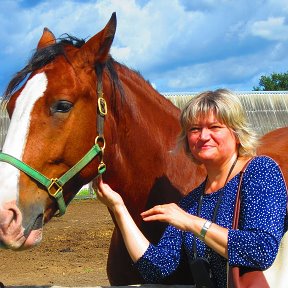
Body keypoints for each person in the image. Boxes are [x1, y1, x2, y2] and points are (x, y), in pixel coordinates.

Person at [96, 89, 287, 288]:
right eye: (194, 129)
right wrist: (119, 208)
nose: (204, 136)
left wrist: (192, 223)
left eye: (214, 126)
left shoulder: (259, 171)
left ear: (237, 133)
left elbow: (261, 250)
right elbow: (156, 268)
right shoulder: (192, 201)